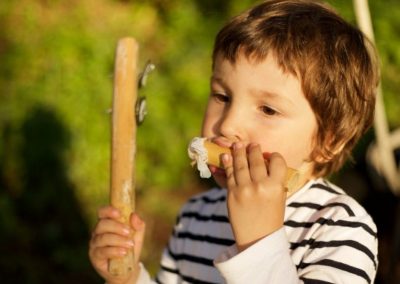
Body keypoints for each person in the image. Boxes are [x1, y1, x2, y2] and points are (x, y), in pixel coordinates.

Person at [89, 0, 379, 283]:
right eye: (222, 96)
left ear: (329, 141)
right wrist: (128, 278)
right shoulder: (195, 217)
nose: (227, 125)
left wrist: (259, 242)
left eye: (268, 109)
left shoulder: (342, 229)